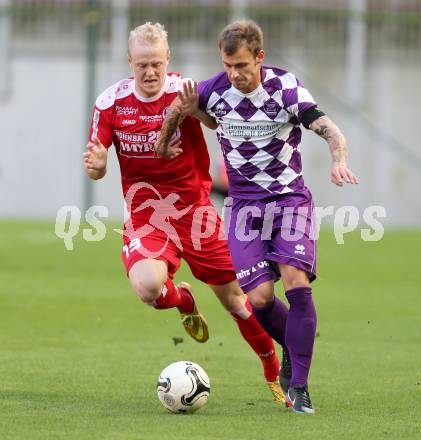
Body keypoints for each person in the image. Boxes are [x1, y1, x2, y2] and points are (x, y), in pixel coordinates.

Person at [156, 19, 359, 414]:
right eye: (229, 65)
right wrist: (168, 138)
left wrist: (339, 161)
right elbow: (187, 116)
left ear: (260, 58)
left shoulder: (285, 88)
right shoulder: (213, 90)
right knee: (259, 297)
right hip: (243, 207)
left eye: (243, 66)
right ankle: (294, 342)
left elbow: (331, 130)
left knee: (295, 281)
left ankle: (299, 386)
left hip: (289, 201)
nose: (235, 74)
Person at [82, 21, 286, 405]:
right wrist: (95, 164)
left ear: (168, 60)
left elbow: (217, 122)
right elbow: (97, 164)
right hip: (148, 218)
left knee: (237, 302)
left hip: (196, 214)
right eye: (142, 64)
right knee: (147, 288)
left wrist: (198, 112)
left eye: (156, 63)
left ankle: (274, 373)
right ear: (130, 61)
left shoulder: (186, 91)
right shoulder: (110, 102)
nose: (149, 71)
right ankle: (184, 300)